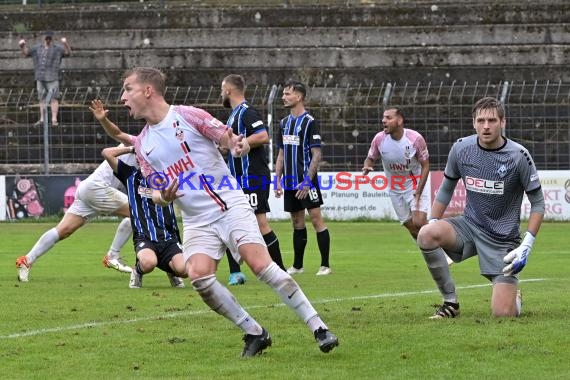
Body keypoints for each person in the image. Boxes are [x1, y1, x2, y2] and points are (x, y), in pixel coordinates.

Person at [97, 67, 338, 357]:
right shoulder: (143, 145)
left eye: (127, 89)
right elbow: (156, 190)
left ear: (148, 90)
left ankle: (318, 327)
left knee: (260, 266)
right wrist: (164, 197)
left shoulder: (187, 115)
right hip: (197, 220)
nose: (123, 97)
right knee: (198, 277)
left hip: (228, 205)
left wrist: (235, 143)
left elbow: (223, 136)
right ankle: (254, 332)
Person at [416, 96, 545, 318]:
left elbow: (538, 203)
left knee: (503, 314)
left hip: (502, 239)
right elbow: (446, 189)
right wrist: (434, 221)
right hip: (469, 226)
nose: (486, 126)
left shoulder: (519, 156)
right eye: (481, 120)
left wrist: (527, 245)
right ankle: (450, 303)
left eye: (492, 120)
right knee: (426, 234)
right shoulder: (461, 148)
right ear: (473, 122)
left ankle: (513, 296)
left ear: (503, 122)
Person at [16, 154, 136, 282]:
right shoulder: (137, 143)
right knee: (138, 214)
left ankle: (26, 260)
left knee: (62, 231)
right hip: (98, 188)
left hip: (89, 188)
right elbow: (117, 138)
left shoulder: (147, 147)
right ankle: (113, 255)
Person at [361, 107, 452, 265]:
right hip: (395, 189)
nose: (384, 120)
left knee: (419, 222)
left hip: (415, 183)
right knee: (409, 225)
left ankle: (443, 250)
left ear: (399, 121)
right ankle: (428, 249)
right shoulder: (379, 139)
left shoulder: (415, 139)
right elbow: (370, 158)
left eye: (388, 118)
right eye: (383, 117)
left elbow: (425, 166)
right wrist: (367, 166)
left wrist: (418, 192)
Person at [220, 74, 286, 286]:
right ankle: (235, 272)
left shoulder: (247, 112)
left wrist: (244, 143)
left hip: (252, 178)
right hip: (236, 180)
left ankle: (281, 271)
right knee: (230, 222)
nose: (221, 93)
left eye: (222, 89)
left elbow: (263, 135)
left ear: (229, 90)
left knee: (260, 223)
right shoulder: (232, 117)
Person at [100, 143, 186, 289]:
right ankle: (137, 271)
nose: (144, 161)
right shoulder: (130, 175)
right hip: (144, 237)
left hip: (168, 237)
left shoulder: (168, 175)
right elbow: (106, 152)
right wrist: (131, 149)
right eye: (141, 157)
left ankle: (171, 270)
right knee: (148, 263)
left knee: (184, 270)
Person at [274, 80, 332, 276]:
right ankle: (298, 266)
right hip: (290, 181)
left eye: (287, 93)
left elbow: (316, 154)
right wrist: (277, 179)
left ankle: (325, 265)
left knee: (316, 220)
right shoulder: (283, 123)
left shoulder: (309, 122)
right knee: (296, 222)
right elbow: (281, 154)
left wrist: (307, 181)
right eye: (283, 93)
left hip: (306, 181)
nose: (284, 97)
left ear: (298, 97)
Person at [19, 30, 71, 127]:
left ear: (52, 39)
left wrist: (65, 43)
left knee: (54, 98)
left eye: (49, 38)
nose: (48, 40)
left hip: (53, 76)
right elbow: (26, 53)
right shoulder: (37, 48)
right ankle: (42, 119)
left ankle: (54, 119)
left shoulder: (58, 49)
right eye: (46, 38)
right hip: (40, 76)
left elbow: (68, 53)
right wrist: (22, 46)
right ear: (44, 38)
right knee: (41, 98)